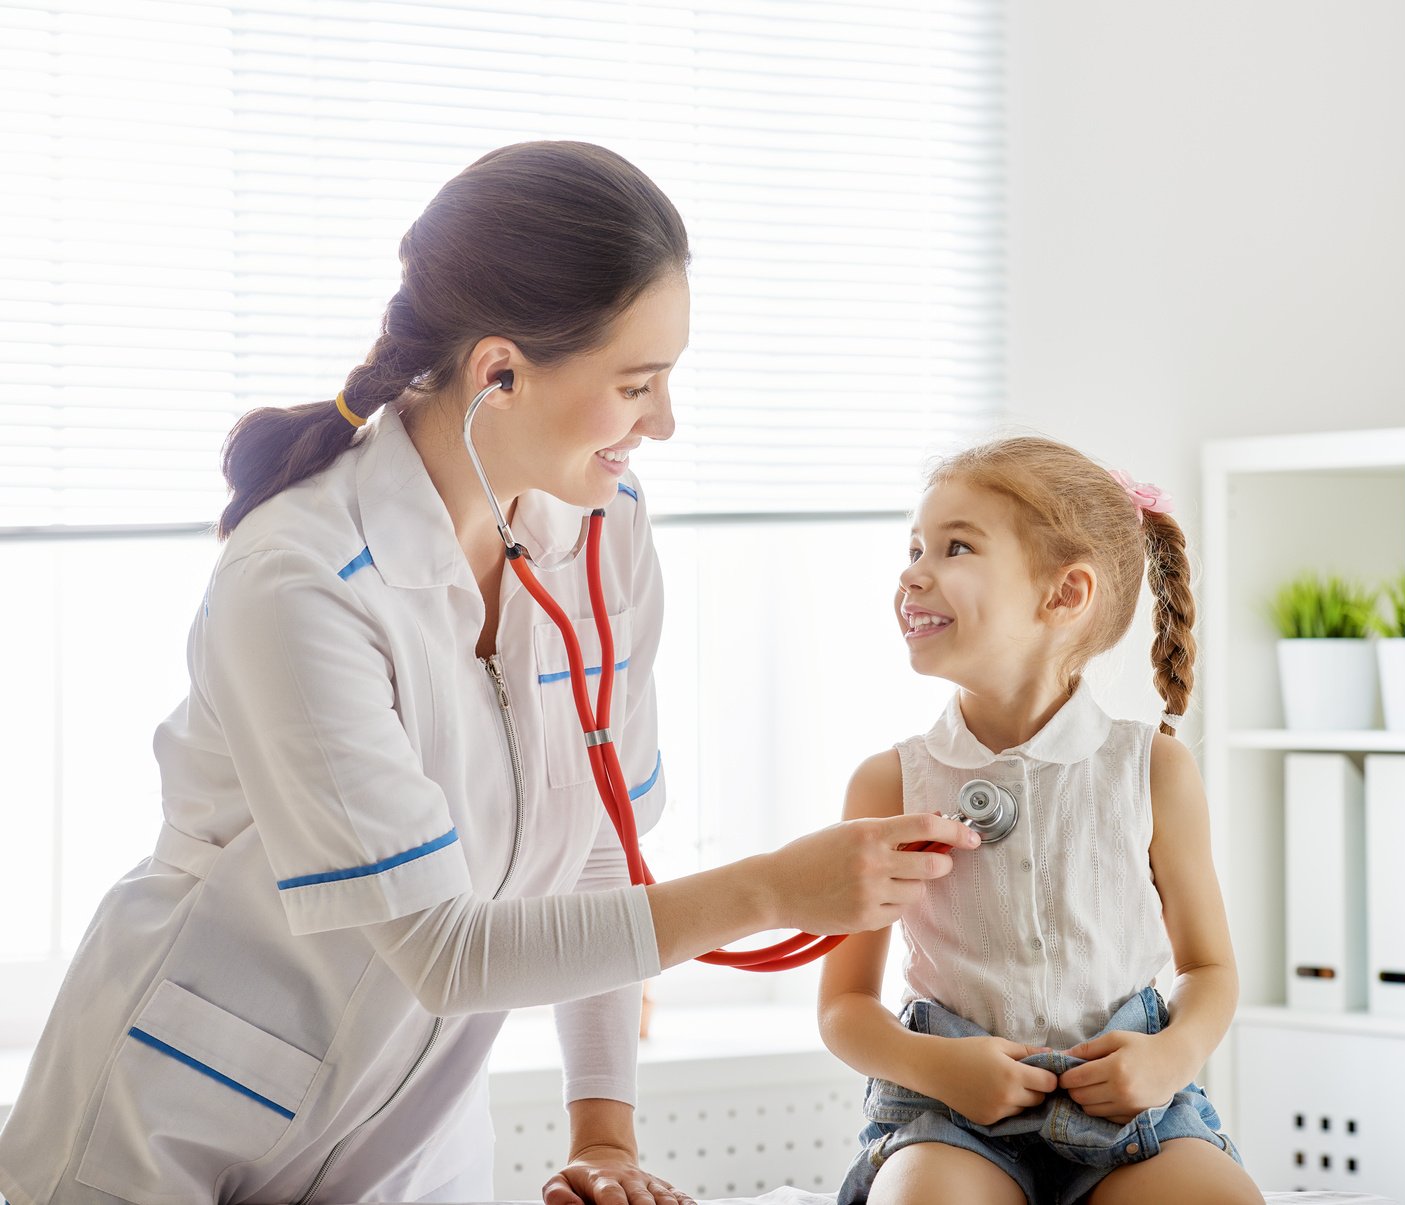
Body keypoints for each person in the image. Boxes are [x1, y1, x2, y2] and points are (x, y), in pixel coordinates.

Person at [0, 141, 978, 1205]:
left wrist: (603, 1128)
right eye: (636, 384)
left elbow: (600, 844)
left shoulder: (605, 532)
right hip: (171, 1127)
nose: (664, 423)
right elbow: (442, 948)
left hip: (407, 1146)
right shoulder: (300, 581)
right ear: (499, 371)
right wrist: (771, 888)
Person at [817, 437, 1265, 1205]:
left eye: (955, 546)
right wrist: (940, 1068)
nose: (913, 570)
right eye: (915, 544)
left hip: (1132, 1118)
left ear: (1064, 595)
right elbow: (843, 1006)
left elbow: (1209, 970)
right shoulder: (891, 781)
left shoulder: (1153, 769)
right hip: (950, 1116)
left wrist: (1169, 1058)